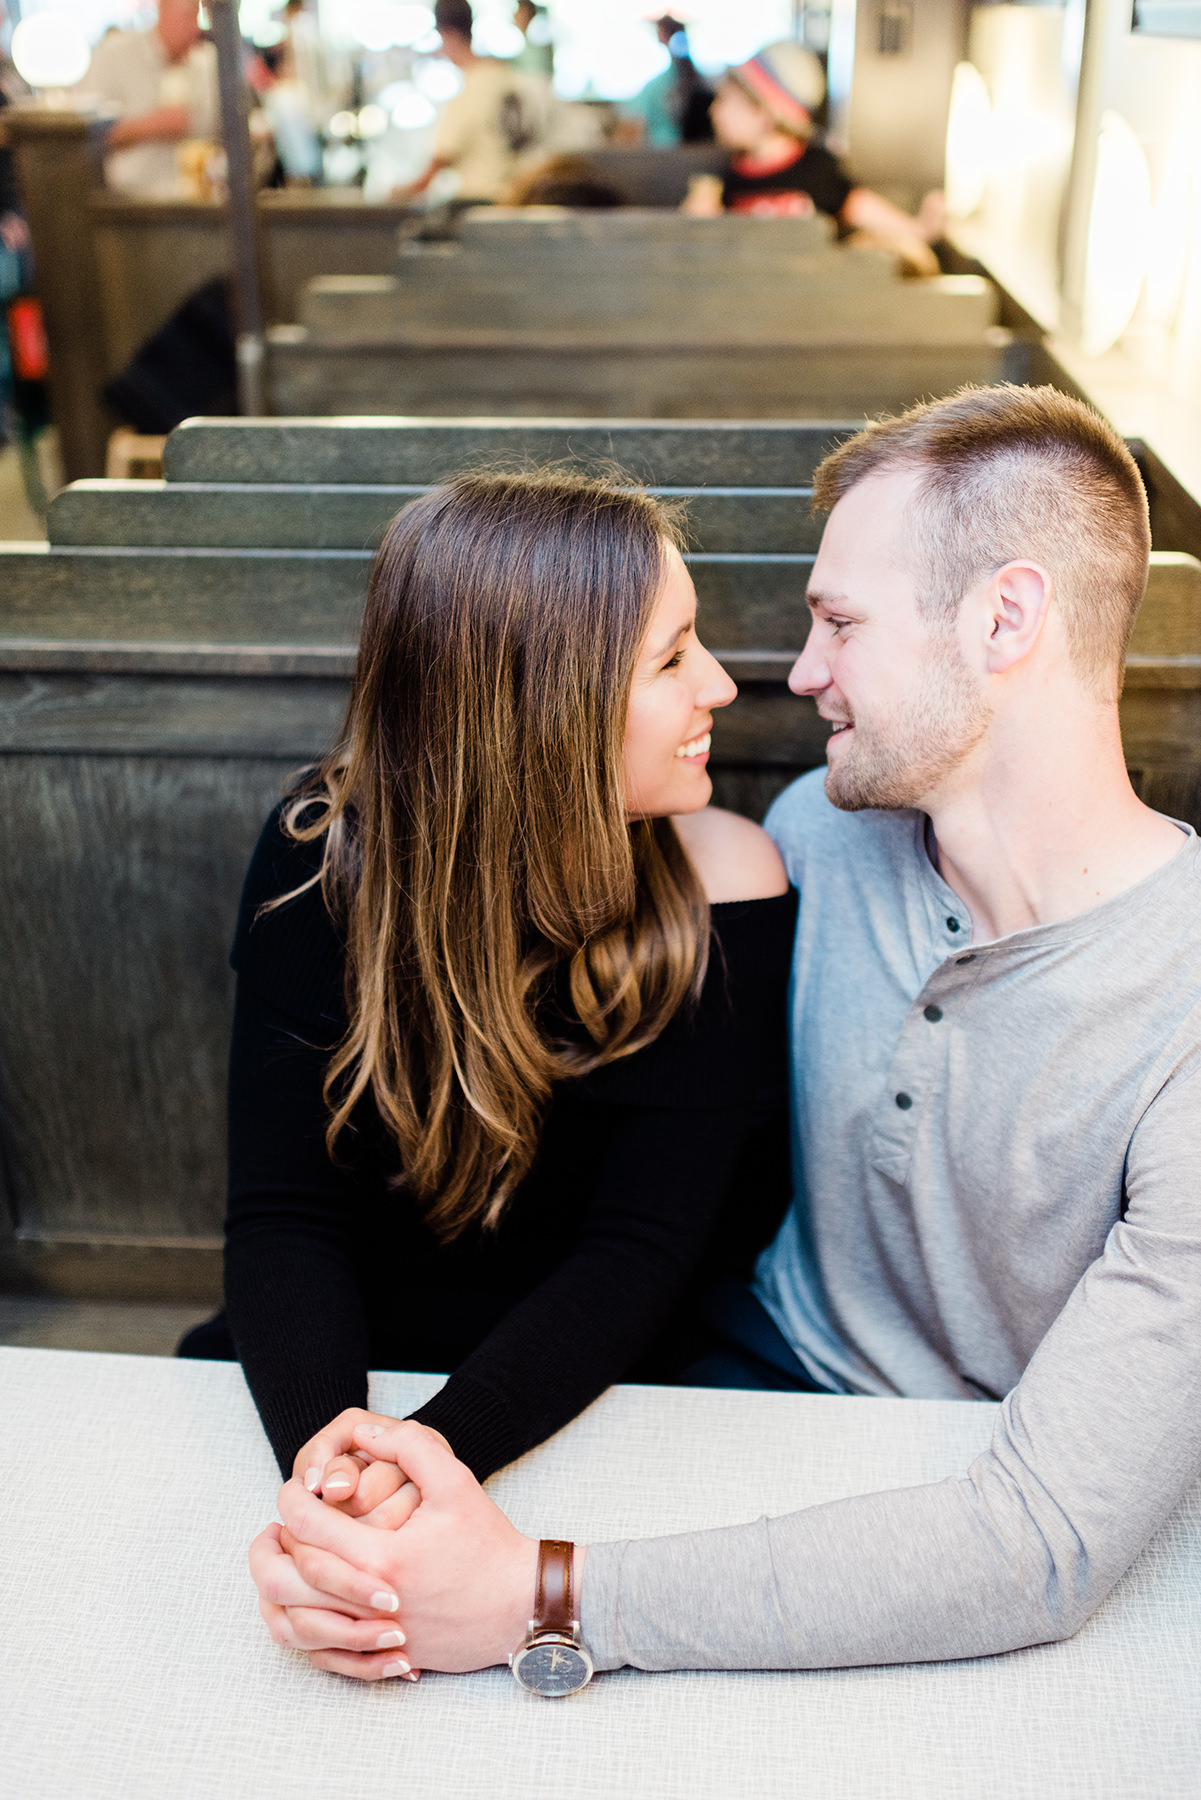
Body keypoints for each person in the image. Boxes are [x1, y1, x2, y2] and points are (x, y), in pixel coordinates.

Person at [249, 384, 1201, 1686]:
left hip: (972, 1488)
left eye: (839, 622)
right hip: (718, 1387)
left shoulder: (1177, 1001)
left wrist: (541, 1597)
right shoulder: (821, 833)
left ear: (1008, 617)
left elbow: (1040, 1536)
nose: (789, 674)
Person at [185, 467, 795, 1514]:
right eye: (673, 656)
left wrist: (433, 1460)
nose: (721, 686)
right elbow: (284, 1220)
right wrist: (329, 1463)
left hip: (611, 1371)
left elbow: (640, 1252)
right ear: (547, 704)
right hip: (347, 1366)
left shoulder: (726, 884)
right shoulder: (317, 861)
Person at [683, 40, 942, 276]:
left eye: (725, 100)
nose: (713, 110)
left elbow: (857, 205)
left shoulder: (817, 166)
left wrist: (918, 230)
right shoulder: (732, 174)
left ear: (764, 112)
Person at [396, 0, 550, 205]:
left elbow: (438, 163)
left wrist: (396, 193)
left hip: (480, 204)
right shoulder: (507, 78)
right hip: (518, 197)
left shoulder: (471, 91)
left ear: (448, 34)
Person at [81, 0, 220, 197]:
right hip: (126, 203)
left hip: (200, 204)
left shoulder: (208, 63)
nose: (196, 27)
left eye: (200, 17)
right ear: (163, 8)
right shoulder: (114, 54)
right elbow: (84, 134)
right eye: (189, 16)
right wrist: (152, 125)